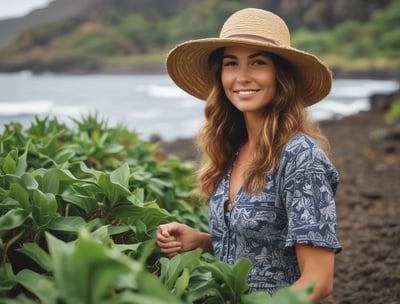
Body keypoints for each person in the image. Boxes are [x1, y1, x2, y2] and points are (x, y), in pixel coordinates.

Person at [157, 8, 342, 302]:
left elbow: (318, 281)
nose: (242, 77)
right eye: (231, 63)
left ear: (280, 74)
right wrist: (202, 242)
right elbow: (259, 246)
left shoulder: (300, 157)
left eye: (257, 62)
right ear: (221, 75)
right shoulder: (234, 148)